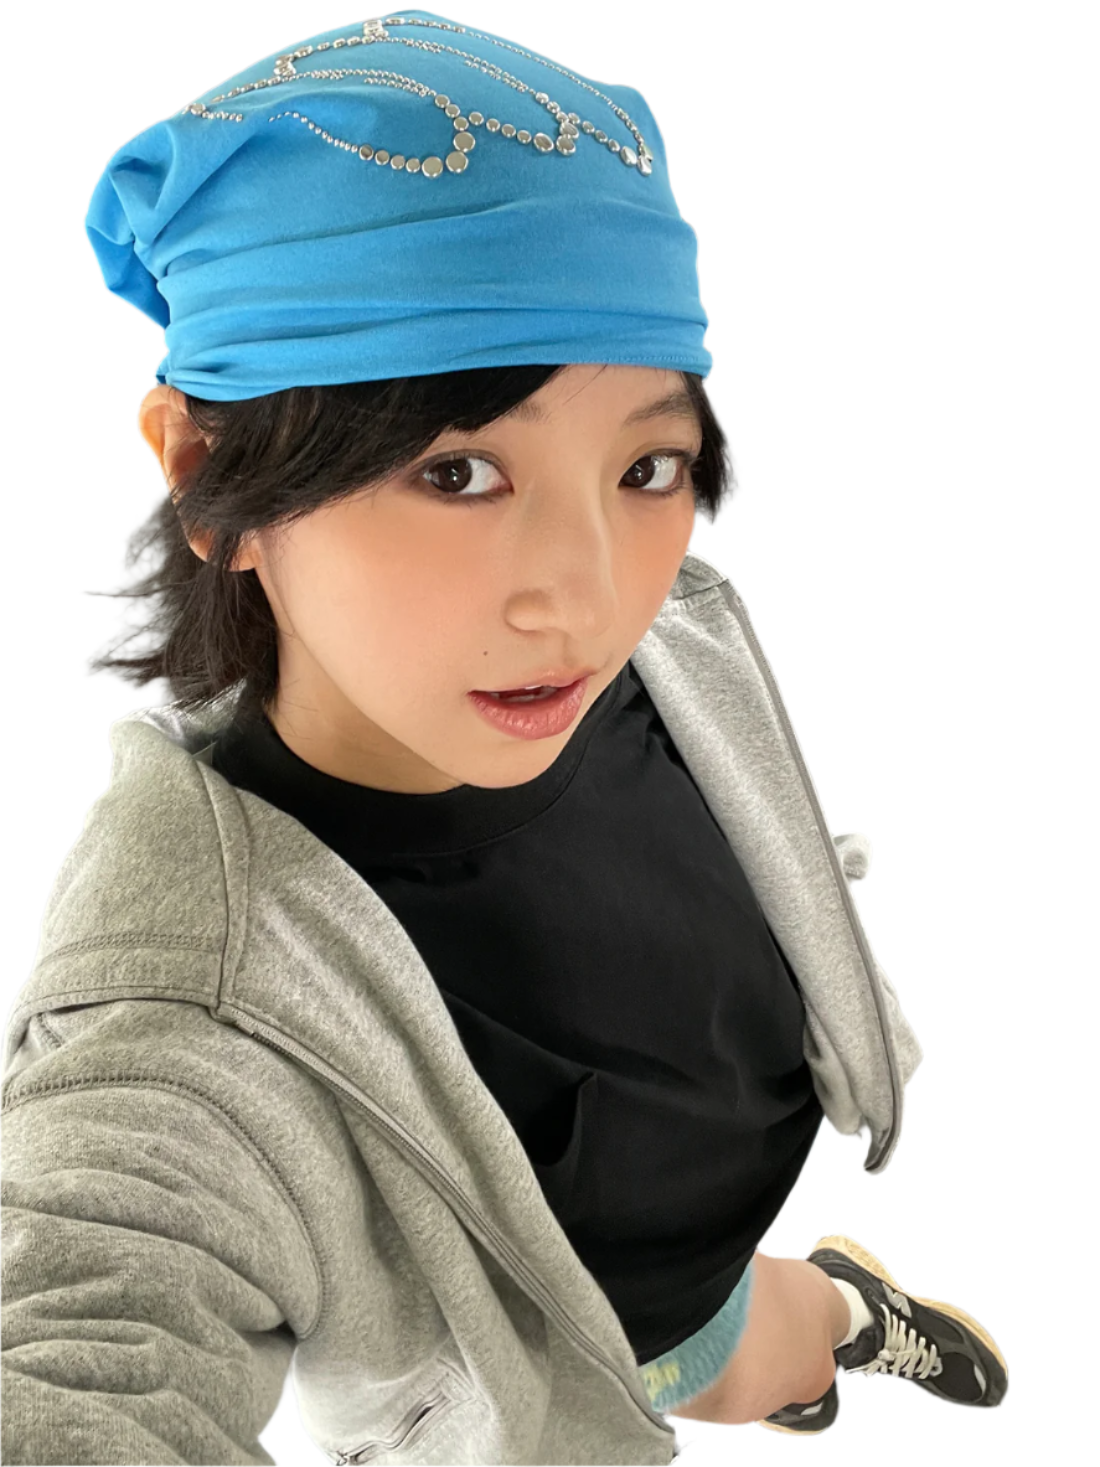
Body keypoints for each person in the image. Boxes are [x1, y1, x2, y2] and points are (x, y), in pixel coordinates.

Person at [0, 11, 1007, 1464]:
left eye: (646, 465)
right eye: (460, 471)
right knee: (723, 1358)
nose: (590, 597)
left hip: (733, 1215)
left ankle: (845, 1313)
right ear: (211, 473)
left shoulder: (670, 631)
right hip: (593, 1357)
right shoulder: (178, 1021)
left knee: (783, 1327)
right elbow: (87, 1335)